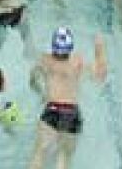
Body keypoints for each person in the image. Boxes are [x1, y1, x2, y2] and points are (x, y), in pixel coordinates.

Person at [28, 27, 107, 169]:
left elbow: (32, 82)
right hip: (71, 112)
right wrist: (99, 49)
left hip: (52, 108)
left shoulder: (44, 60)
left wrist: (41, 93)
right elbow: (100, 76)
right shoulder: (77, 61)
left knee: (39, 154)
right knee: (63, 159)